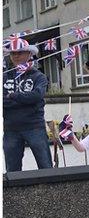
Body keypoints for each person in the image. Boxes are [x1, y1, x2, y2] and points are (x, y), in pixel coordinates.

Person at [3, 39, 53, 171]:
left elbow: (37, 96)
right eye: (13, 53)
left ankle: (50, 191)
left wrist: (13, 96)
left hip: (35, 127)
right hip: (11, 129)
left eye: (20, 53)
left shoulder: (39, 76)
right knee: (12, 169)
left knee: (45, 166)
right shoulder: (4, 76)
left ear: (29, 54)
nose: (16, 56)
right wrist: (25, 100)